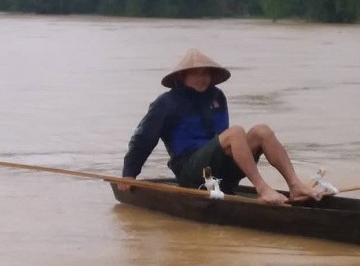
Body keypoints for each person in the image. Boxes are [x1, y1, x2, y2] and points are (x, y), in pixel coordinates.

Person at [120, 49, 324, 205]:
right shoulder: (166, 103)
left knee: (262, 131)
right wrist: (129, 173)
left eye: (206, 73)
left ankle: (295, 185)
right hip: (190, 170)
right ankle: (262, 188)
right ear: (182, 77)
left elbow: (225, 144)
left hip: (218, 170)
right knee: (236, 132)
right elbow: (143, 139)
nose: (203, 78)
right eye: (196, 74)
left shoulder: (217, 97)